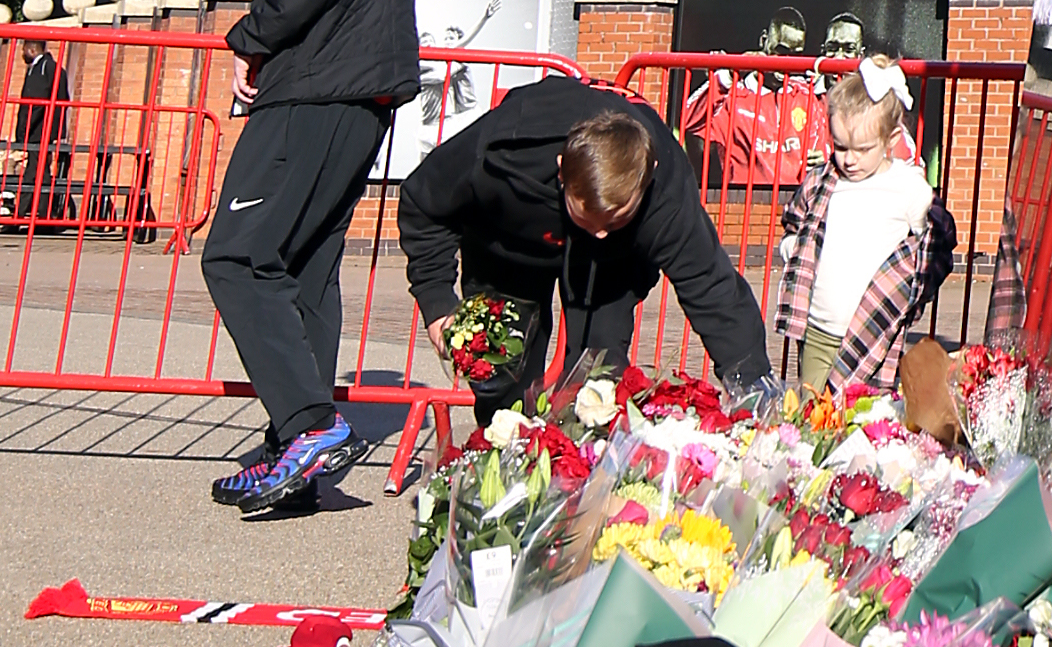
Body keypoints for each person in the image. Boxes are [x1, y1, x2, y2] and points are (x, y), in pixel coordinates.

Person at [205, 0, 420, 518]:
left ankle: (305, 425)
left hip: (317, 89)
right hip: (359, 97)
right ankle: (293, 455)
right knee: (301, 266)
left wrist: (251, 39)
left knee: (235, 255)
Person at [397, 73, 772, 420]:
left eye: (616, 219)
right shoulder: (501, 155)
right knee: (502, 380)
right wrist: (437, 303)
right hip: (509, 242)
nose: (601, 232)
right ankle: (503, 465)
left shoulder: (666, 192)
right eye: (589, 217)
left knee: (597, 384)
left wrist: (753, 385)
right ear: (561, 171)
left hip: (611, 267)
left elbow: (709, 285)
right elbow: (422, 203)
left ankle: (579, 472)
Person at [764, 55, 957, 397]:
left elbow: (940, 241)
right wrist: (792, 246)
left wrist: (915, 287)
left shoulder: (908, 188)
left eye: (863, 149)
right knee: (809, 417)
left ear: (891, 138)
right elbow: (795, 218)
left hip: (872, 333)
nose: (849, 159)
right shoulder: (824, 180)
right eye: (840, 147)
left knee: (861, 420)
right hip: (817, 329)